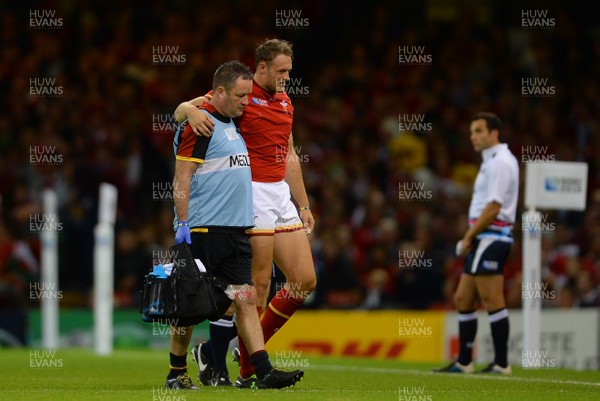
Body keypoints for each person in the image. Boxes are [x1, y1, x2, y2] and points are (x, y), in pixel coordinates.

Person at [175, 38, 316, 388]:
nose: (286, 78)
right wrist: (189, 111)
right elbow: (182, 110)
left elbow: (290, 155)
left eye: (290, 72)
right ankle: (247, 369)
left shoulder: (285, 103)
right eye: (281, 71)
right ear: (262, 68)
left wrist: (304, 204)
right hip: (248, 192)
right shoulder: (239, 94)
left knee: (304, 281)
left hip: (279, 195)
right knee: (255, 287)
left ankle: (221, 352)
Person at [434, 112, 518, 375]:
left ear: (494, 133)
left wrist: (469, 236)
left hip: (493, 235)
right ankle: (464, 361)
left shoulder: (501, 162)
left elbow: (494, 207)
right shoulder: (490, 161)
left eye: (479, 131)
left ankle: (502, 363)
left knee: (492, 298)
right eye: (472, 131)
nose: (473, 136)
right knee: (463, 297)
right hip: (484, 236)